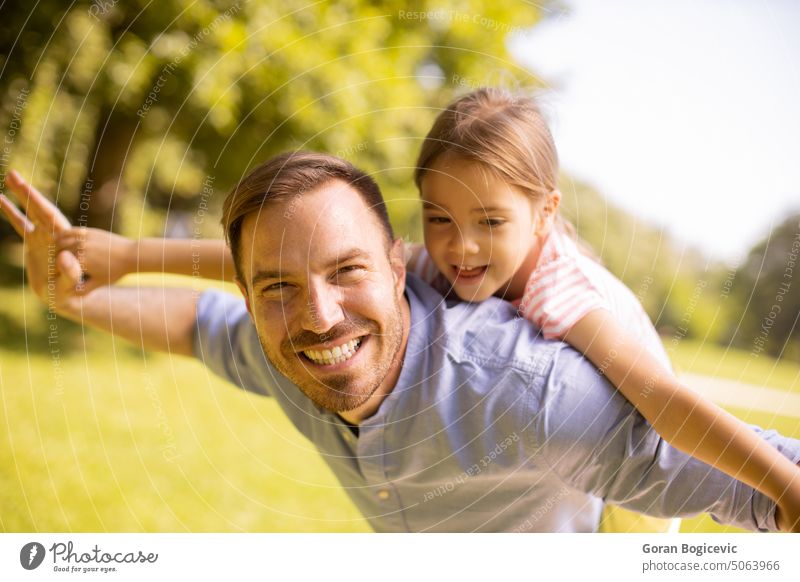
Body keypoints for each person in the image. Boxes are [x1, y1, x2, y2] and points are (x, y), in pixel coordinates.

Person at [2, 155, 800, 533]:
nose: (317, 317)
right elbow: (195, 325)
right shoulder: (278, 353)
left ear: (397, 268)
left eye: (347, 271)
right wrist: (78, 298)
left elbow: (756, 483)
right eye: (276, 288)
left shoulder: (527, 393)